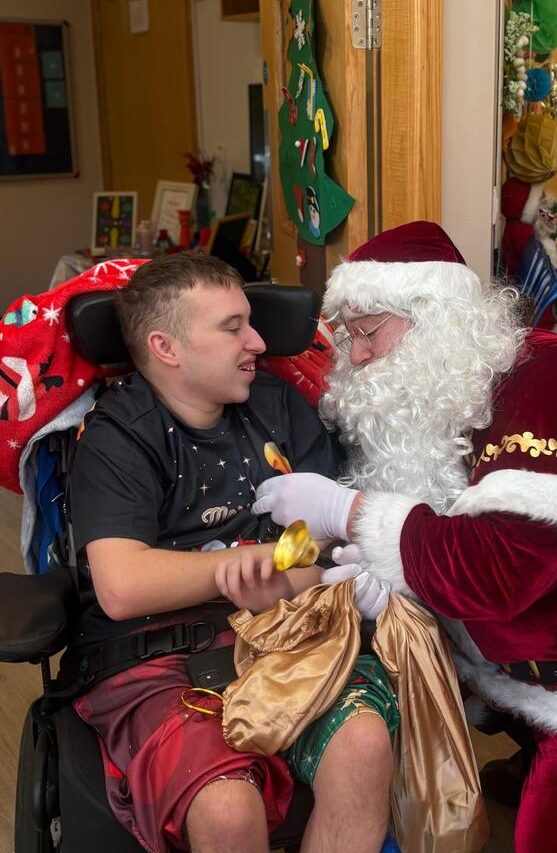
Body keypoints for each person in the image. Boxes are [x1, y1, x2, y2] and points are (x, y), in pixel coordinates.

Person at [255, 221, 557, 853]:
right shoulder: (444, 397)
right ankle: (540, 744)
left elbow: (495, 571)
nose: (359, 356)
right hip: (517, 661)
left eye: (368, 331)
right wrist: (384, 582)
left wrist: (349, 511)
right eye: (348, 338)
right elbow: (436, 536)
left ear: (435, 317)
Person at [65, 253, 397, 853]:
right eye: (232, 327)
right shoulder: (118, 435)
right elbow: (123, 586)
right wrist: (239, 569)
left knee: (365, 747)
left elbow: (325, 536)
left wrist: (292, 577)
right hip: (157, 652)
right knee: (226, 806)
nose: (258, 341)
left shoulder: (276, 405)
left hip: (289, 629)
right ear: (166, 347)